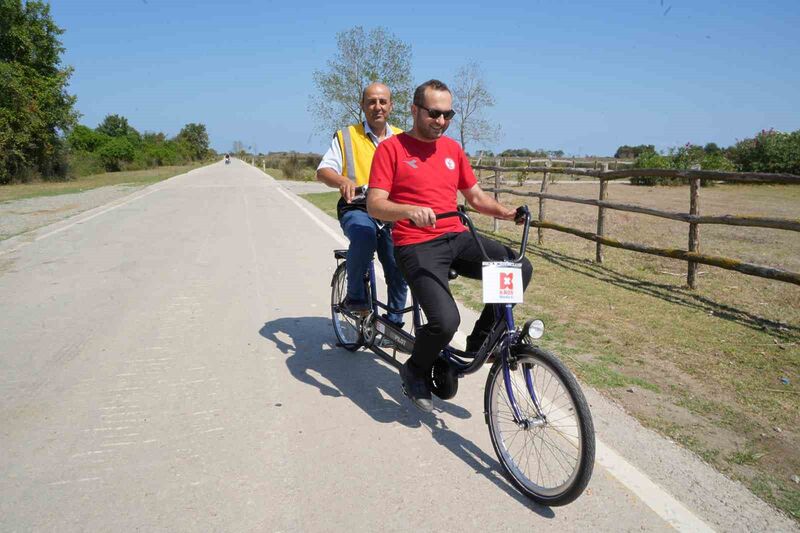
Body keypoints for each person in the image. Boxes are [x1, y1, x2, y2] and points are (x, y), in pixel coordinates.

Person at [367, 79, 533, 412]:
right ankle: (415, 368)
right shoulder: (391, 149)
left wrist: (509, 212)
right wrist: (408, 211)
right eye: (434, 114)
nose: (441, 121)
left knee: (519, 267)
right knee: (445, 321)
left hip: (457, 237)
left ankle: (480, 342)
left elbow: (475, 197)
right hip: (415, 244)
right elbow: (375, 204)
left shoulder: (453, 150)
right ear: (415, 110)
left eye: (447, 114)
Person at [316, 82, 408, 329]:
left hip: (391, 210)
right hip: (357, 207)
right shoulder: (346, 136)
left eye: (382, 101)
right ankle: (355, 298)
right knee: (365, 236)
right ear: (362, 105)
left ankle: (394, 323)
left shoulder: (403, 139)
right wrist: (342, 179)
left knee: (398, 259)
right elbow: (323, 171)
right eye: (371, 101)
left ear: (391, 105)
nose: (377, 107)